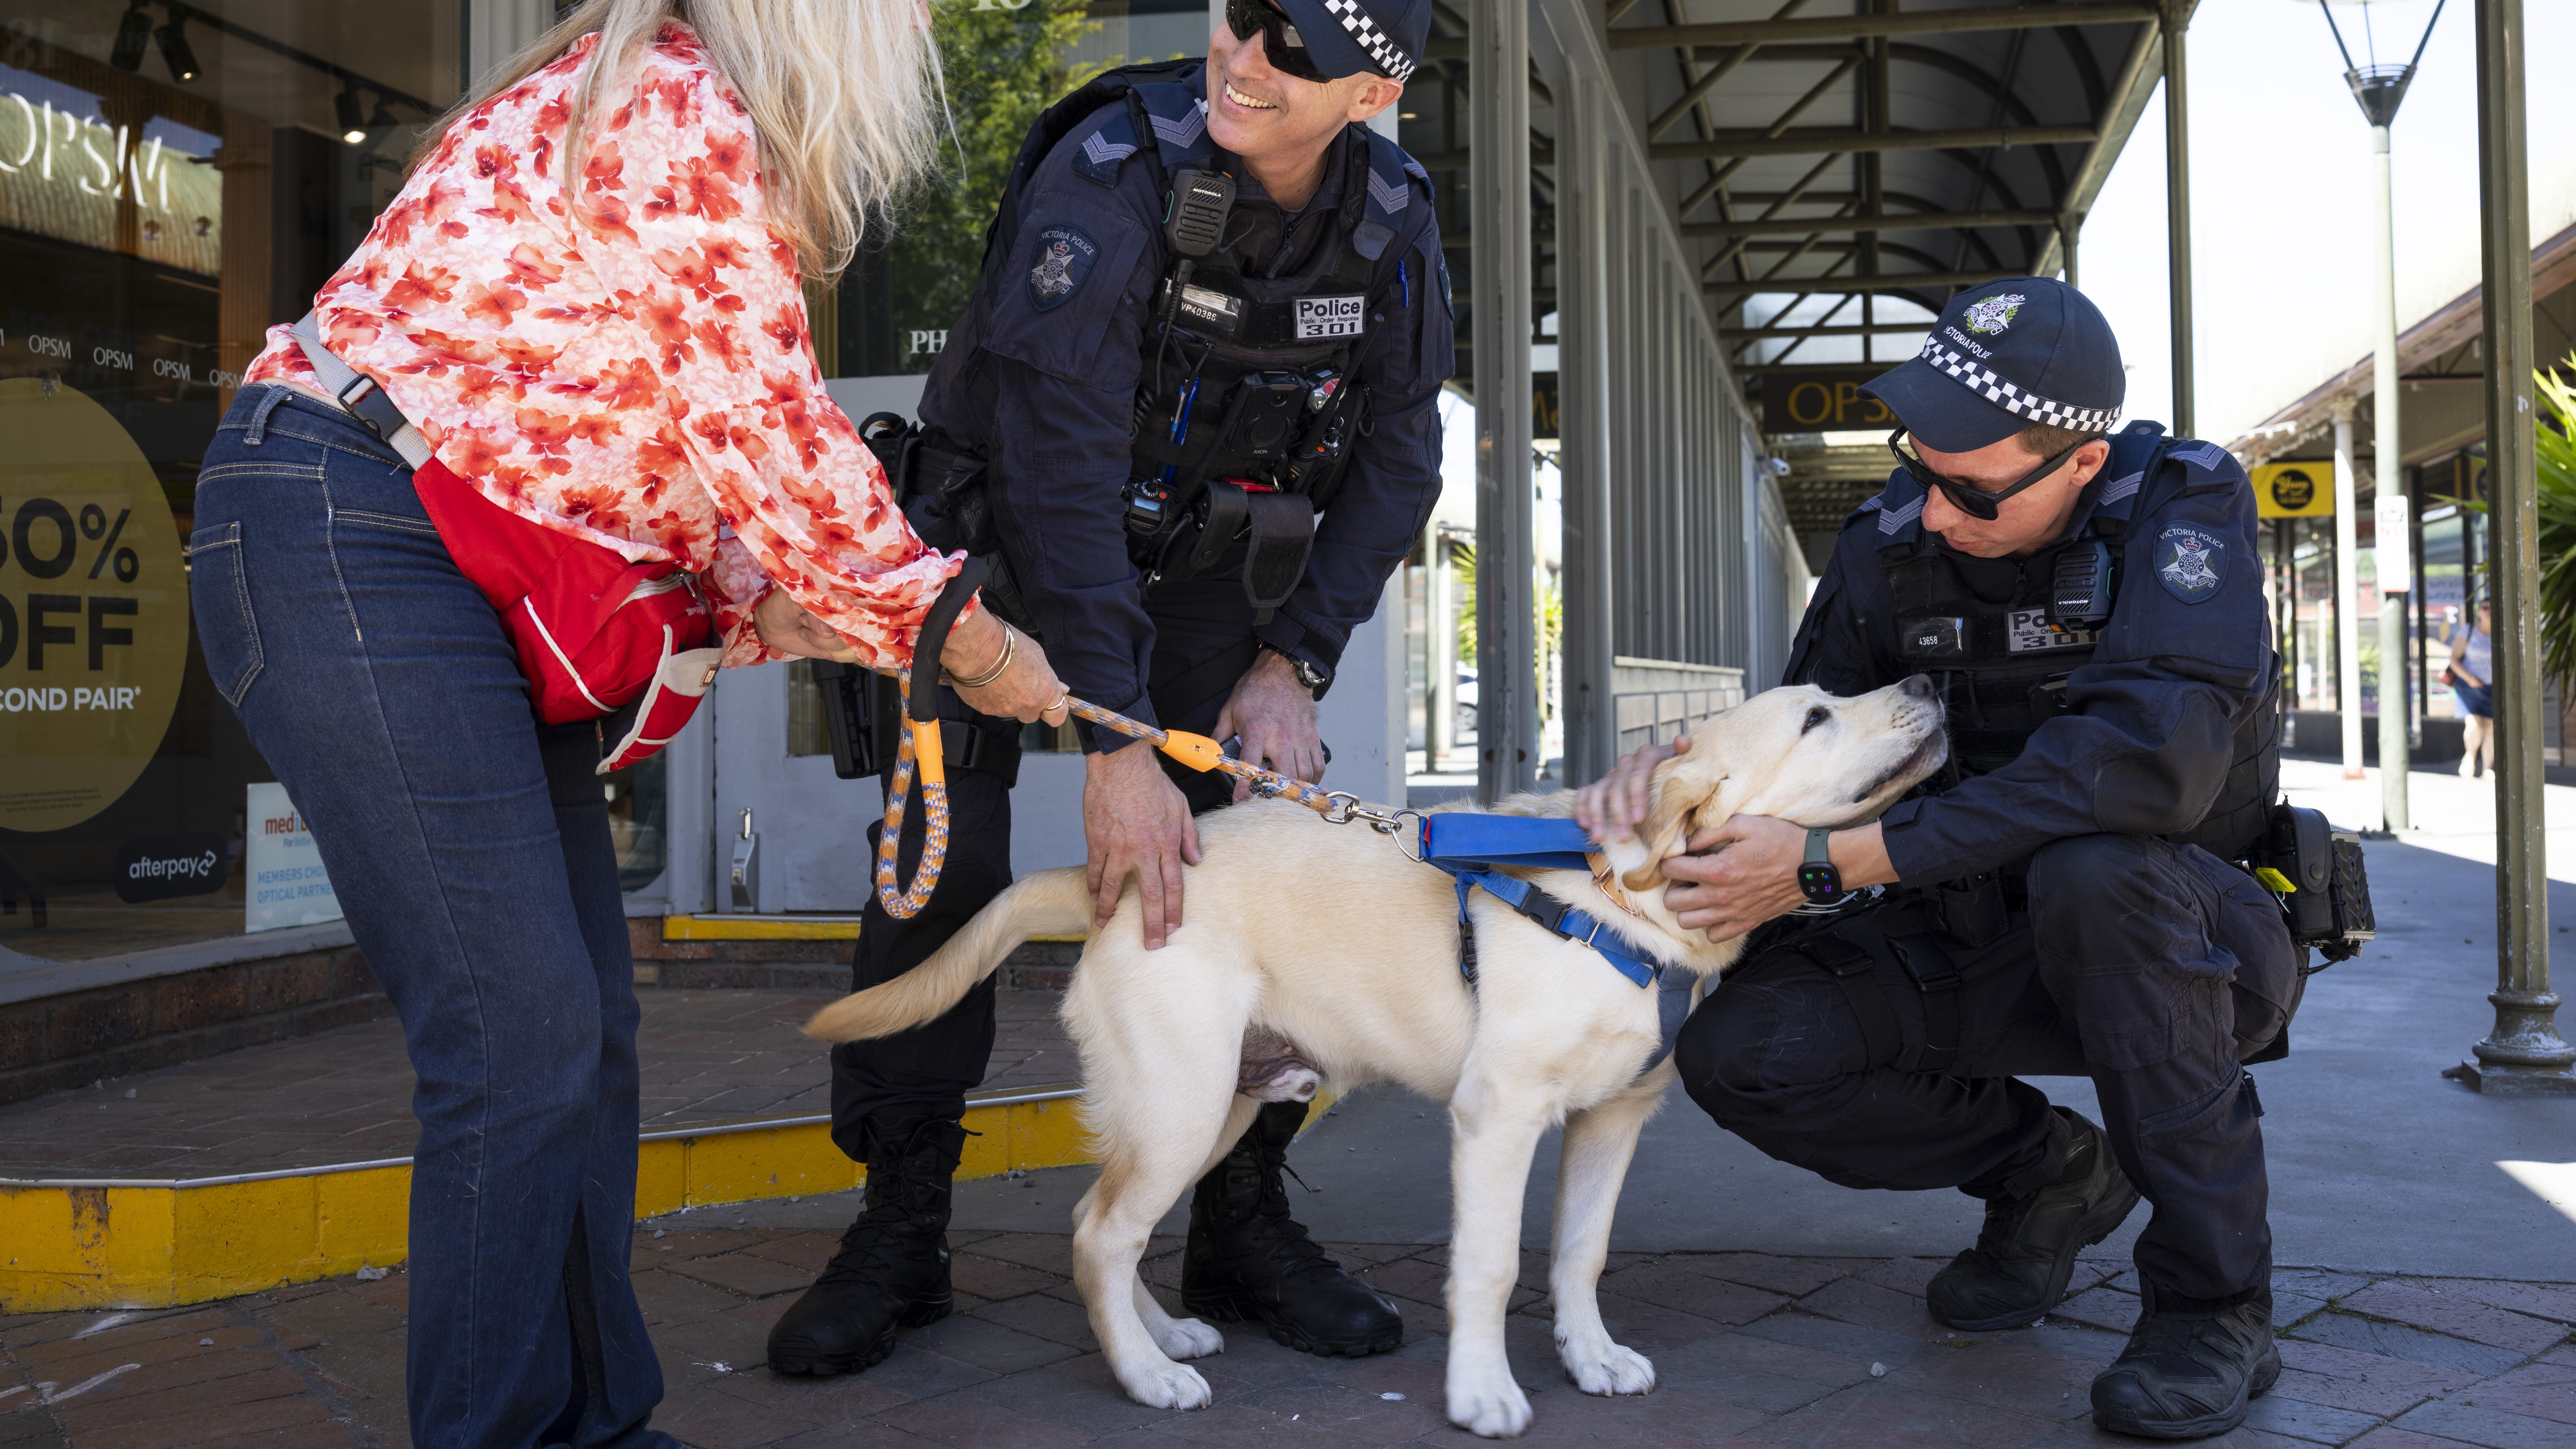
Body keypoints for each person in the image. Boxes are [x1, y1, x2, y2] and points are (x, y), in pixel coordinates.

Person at [192, 3, 1069, 1443]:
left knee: (580, 1029)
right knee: (521, 1029)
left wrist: (810, 611)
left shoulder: (652, 99)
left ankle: (599, 1421)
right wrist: (961, 637)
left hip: (442, 553)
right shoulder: (676, 107)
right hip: (355, 530)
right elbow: (779, 442)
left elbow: (680, 465)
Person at [766, 0, 1452, 1377]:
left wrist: (1291, 659)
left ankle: (1239, 1220)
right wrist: (1110, 740)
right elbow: (1059, 470)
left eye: (1301, 48)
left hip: (1211, 590)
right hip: (1001, 561)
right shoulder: (1116, 170)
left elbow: (1399, 460)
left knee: (1251, 885)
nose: (1250, 58)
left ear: (1371, 96)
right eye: (1245, 16)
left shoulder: (1392, 216)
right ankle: (900, 1226)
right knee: (937, 879)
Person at [1577, 278, 2300, 1441]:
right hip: (1951, 927)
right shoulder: (1886, 541)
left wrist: (1832, 865)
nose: (1927, 510)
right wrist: (1661, 781)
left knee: (2093, 872)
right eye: (1912, 465)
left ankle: (2212, 1304)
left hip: (2180, 939)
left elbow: (2130, 769)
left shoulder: (2179, 515)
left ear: (2077, 461)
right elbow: (1798, 727)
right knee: (1743, 1050)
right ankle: (2045, 1172)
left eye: (1966, 488)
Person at [2444, 599, 2495, 778]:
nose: (2489, 611)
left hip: (2491, 687)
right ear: (2479, 612)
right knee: (2475, 724)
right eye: (2485, 608)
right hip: (2469, 686)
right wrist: (2470, 678)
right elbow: (2454, 659)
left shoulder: (2500, 632)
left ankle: (2488, 769)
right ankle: (2470, 757)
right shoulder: (2469, 631)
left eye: (2492, 607)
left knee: (2491, 727)